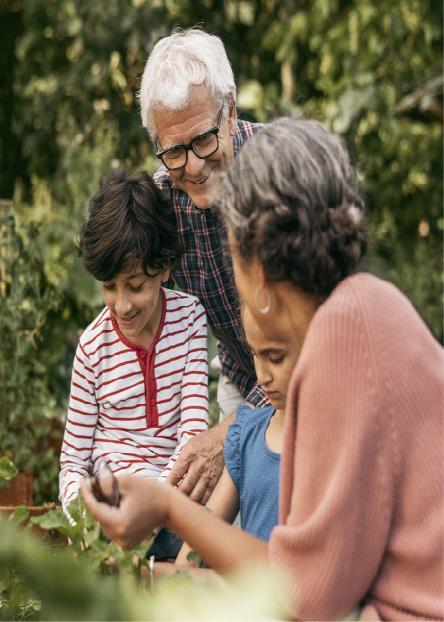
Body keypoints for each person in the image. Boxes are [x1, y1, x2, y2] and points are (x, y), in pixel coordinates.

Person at [82, 118, 444, 621]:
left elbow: (302, 595)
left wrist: (168, 509)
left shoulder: (340, 338)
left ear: (261, 258)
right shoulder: (370, 311)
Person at [139, 28, 266, 503]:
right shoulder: (163, 202)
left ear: (230, 111)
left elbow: (317, 344)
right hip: (241, 374)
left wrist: (225, 436)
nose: (192, 166)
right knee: (210, 511)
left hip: (314, 375)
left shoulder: (285, 178)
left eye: (204, 140)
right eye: (173, 150)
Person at [59, 168, 209, 515]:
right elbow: (73, 462)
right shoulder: (92, 349)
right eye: (109, 287)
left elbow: (193, 430)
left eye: (136, 286)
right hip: (112, 507)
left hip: (172, 498)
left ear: (165, 269)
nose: (122, 305)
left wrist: (157, 503)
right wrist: (83, 513)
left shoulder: (189, 321)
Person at [168, 304, 299, 574]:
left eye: (274, 358)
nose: (262, 375)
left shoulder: (333, 444)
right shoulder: (248, 433)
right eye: (254, 355)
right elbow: (196, 548)